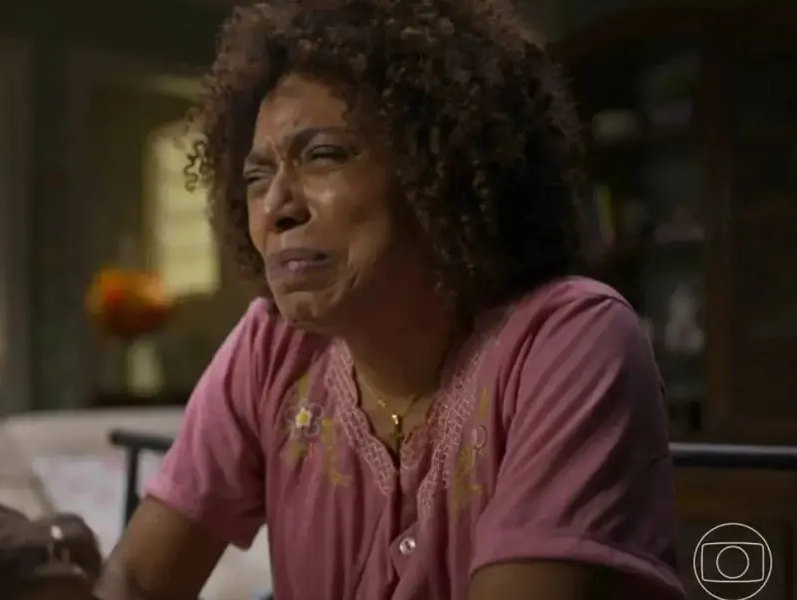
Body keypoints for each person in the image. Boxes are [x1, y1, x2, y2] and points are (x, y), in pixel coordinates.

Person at [94, 0, 684, 598]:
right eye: (256, 177)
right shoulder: (274, 346)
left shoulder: (569, 340)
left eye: (323, 155)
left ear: (439, 166)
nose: (276, 208)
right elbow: (135, 579)